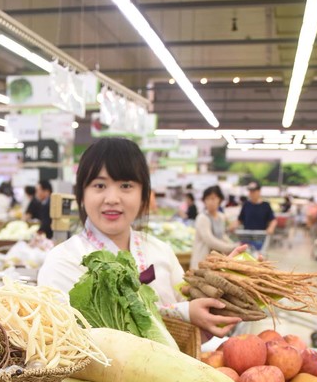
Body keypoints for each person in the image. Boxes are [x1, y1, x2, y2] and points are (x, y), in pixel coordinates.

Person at [37, 137, 240, 336]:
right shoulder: (63, 261)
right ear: (82, 194)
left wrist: (226, 287)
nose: (112, 199)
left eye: (126, 186)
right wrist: (182, 313)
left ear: (144, 194)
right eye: (99, 185)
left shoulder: (161, 251)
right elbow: (69, 343)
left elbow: (192, 329)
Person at [190, 185, 233, 267]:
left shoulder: (221, 216)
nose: (210, 201)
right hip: (203, 261)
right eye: (207, 199)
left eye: (213, 198)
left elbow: (222, 235)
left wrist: (233, 245)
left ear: (219, 199)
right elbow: (210, 240)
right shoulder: (202, 218)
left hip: (217, 261)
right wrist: (230, 247)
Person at [236, 180, 277, 251]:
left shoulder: (265, 205)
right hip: (247, 238)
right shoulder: (246, 205)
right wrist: (233, 226)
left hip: (260, 238)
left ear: (259, 191)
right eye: (250, 192)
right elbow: (240, 219)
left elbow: (273, 220)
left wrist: (271, 228)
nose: (251, 194)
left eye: (253, 191)